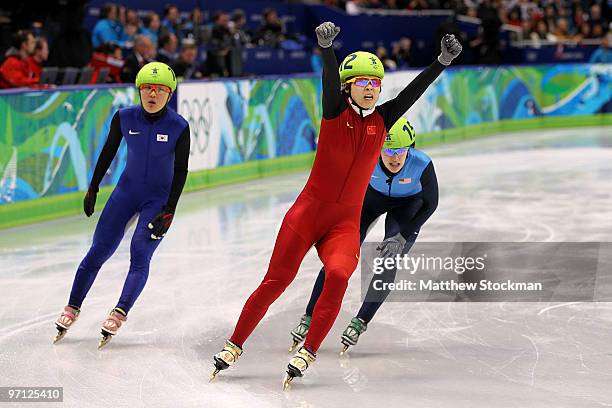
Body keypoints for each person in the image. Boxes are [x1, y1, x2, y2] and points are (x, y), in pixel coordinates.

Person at [210, 21, 461, 388]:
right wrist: (327, 50)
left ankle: (308, 350)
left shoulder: (382, 120)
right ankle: (235, 343)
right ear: (348, 87)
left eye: (375, 83)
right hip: (307, 214)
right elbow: (329, 81)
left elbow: (413, 92)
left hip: (344, 222)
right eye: (363, 83)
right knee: (276, 281)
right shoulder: (334, 111)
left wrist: (441, 61)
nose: (371, 89)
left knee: (340, 274)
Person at [52, 62, 190, 348]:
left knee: (140, 253)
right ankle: (72, 306)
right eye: (147, 88)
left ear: (169, 93)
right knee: (97, 251)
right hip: (125, 193)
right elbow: (108, 151)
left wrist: (170, 208)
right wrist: (93, 186)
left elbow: (180, 171)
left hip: (158, 200)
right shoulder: (124, 117)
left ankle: (120, 310)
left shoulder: (179, 127)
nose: (153, 94)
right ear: (139, 91)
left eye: (160, 89)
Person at [289, 118, 438, 354]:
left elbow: (431, 204)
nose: (395, 157)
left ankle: (361, 321)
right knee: (338, 257)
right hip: (370, 200)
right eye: (388, 150)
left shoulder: (422, 164)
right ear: (377, 149)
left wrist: (403, 236)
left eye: (401, 150)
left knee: (390, 259)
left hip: (408, 206)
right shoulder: (363, 157)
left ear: (411, 148)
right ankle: (309, 315)